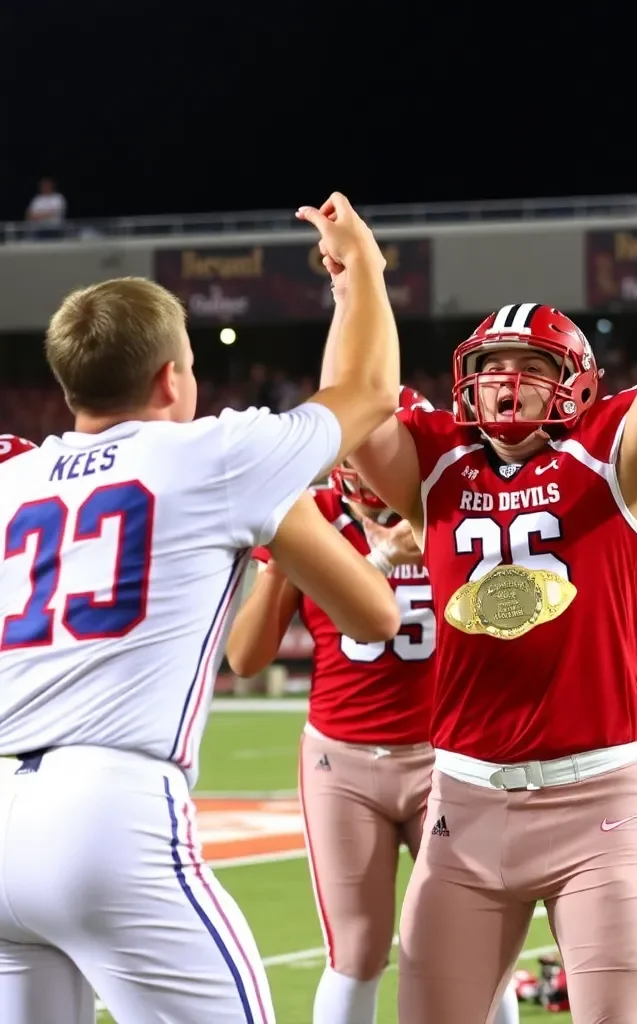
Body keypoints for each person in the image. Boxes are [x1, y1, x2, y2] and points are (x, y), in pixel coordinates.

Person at [348, 108, 637, 1024]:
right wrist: (360, 283)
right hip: (462, 800)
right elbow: (364, 402)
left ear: (572, 379)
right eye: (488, 365)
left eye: (526, 366)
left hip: (599, 801)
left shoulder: (617, 453)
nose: (501, 382)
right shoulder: (440, 462)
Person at [0, 193, 403, 1023]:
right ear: (171, 377)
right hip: (109, 803)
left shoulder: (14, 478)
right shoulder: (208, 456)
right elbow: (366, 389)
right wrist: (360, 265)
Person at [227, 390, 521, 1024]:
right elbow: (246, 657)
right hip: (343, 763)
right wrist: (286, 554)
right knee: (355, 951)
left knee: (472, 946)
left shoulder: (462, 509)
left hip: (448, 761)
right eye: (356, 450)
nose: (366, 467)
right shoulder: (316, 515)